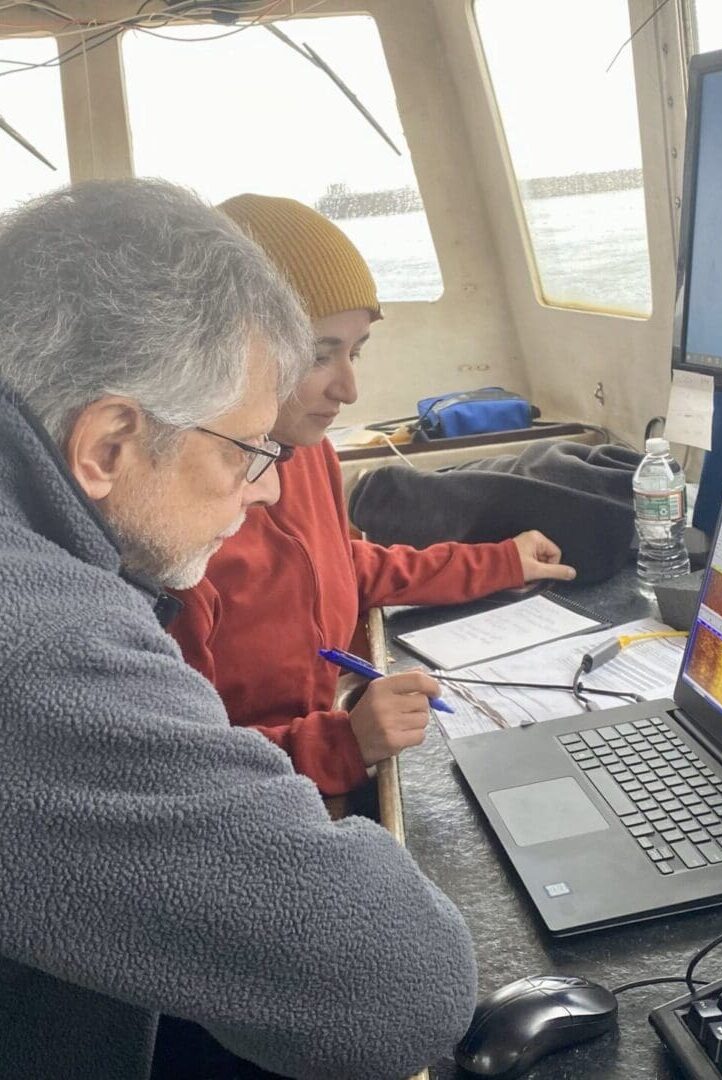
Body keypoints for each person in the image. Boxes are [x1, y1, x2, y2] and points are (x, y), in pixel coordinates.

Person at [0, 179, 476, 1079]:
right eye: (247, 452)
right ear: (107, 446)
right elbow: (398, 991)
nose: (265, 490)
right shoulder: (42, 642)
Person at [168, 193, 576, 799]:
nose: (351, 390)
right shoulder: (176, 533)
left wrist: (499, 563)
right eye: (318, 354)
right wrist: (341, 743)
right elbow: (182, 775)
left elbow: (339, 566)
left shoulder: (309, 454)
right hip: (263, 804)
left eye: (355, 352)